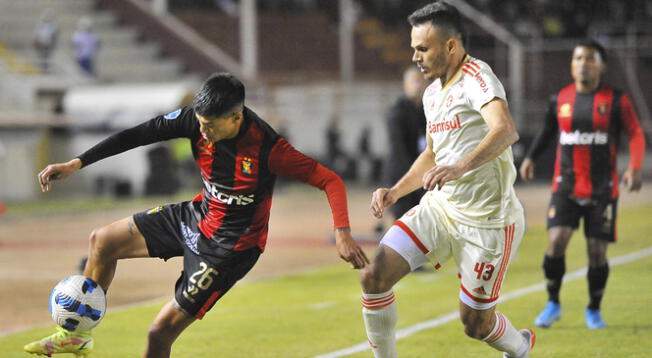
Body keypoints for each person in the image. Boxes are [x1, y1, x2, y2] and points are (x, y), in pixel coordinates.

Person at [24, 73, 369, 358]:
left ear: (235, 117)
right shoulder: (195, 119)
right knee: (102, 241)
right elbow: (138, 134)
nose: (202, 132)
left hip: (229, 249)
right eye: (200, 124)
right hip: (195, 217)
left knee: (159, 333)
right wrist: (77, 162)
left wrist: (342, 230)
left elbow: (329, 179)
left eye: (210, 126)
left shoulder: (269, 148)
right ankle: (75, 336)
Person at [360, 2, 535, 358]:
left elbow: (505, 130)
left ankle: (519, 347)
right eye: (413, 48)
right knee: (374, 276)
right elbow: (432, 154)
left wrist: (460, 167)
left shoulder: (478, 76)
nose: (415, 56)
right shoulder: (431, 93)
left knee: (475, 325)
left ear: (450, 46)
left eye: (422, 48)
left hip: (488, 222)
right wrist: (396, 190)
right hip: (441, 210)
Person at [519, 40, 646, 330]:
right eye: (578, 58)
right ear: (571, 64)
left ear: (601, 66)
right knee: (555, 242)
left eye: (589, 58)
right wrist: (530, 158)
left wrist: (635, 167)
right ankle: (553, 303)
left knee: (597, 252)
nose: (582, 63)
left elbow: (635, 133)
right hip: (565, 186)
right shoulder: (560, 99)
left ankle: (594, 309)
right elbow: (548, 131)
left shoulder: (616, 100)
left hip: (603, 190)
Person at [383, 65, 428, 222]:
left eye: (422, 81)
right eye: (415, 81)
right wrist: (414, 177)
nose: (419, 85)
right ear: (405, 85)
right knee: (402, 223)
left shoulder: (426, 110)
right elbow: (399, 150)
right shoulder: (397, 112)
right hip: (401, 174)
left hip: (420, 174)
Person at [32, 9, 59, 73]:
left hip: (48, 43)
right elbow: (36, 34)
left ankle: (45, 69)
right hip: (41, 43)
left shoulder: (53, 25)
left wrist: (53, 43)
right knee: (42, 57)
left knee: (47, 56)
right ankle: (42, 69)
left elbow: (54, 35)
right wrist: (35, 41)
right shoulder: (40, 25)